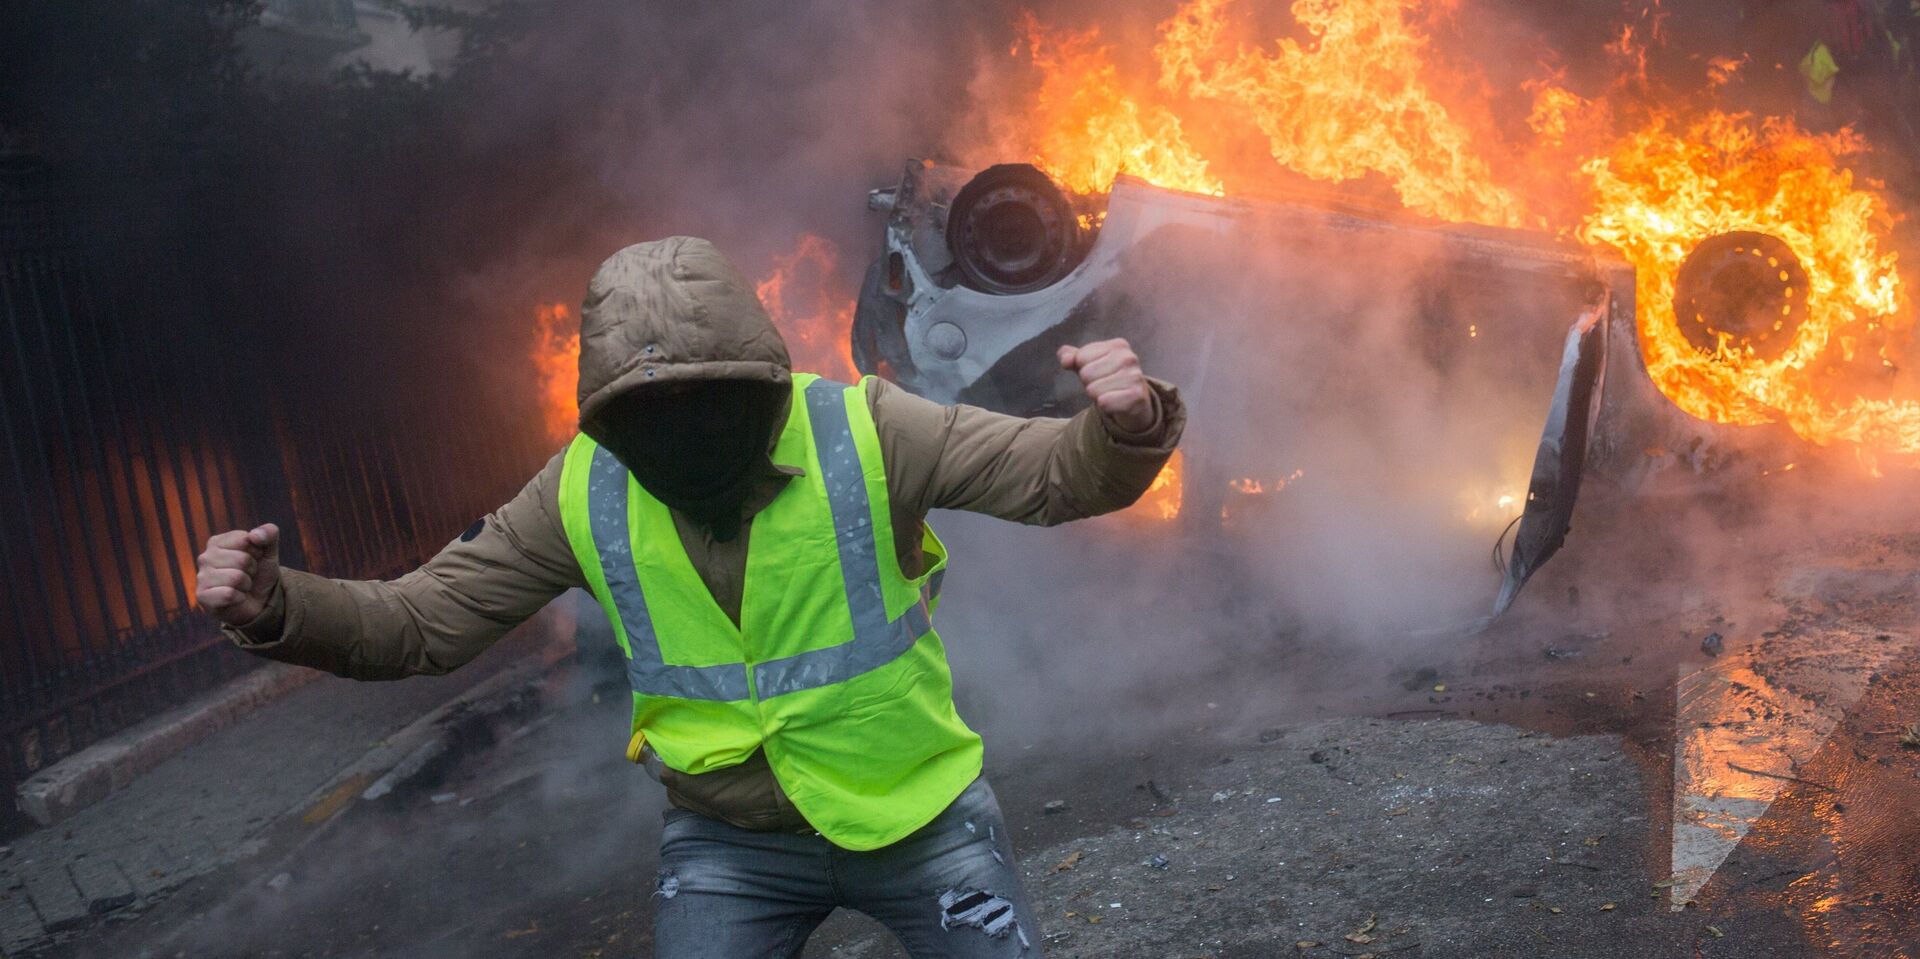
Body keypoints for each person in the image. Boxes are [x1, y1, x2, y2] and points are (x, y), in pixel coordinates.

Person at [195, 236, 1184, 958]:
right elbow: (420, 623)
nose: (686, 429)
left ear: (761, 373)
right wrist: (279, 606)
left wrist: (1125, 425)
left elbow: (1053, 475)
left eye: (712, 398)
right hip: (730, 847)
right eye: (651, 412)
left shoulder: (863, 429)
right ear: (610, 416)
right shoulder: (582, 485)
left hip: (922, 822)